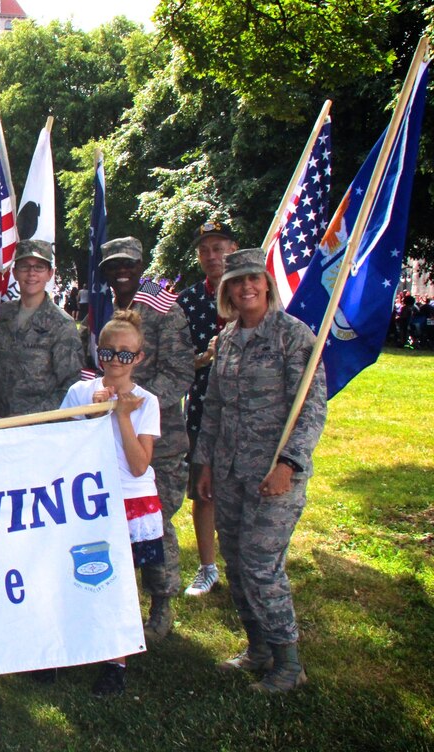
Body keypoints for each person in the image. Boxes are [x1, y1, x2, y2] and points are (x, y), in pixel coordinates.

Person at [194, 248, 327, 694]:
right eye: (237, 282)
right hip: (230, 471)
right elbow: (212, 406)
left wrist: (290, 465)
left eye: (254, 279)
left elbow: (310, 409)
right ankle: (258, 649)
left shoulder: (294, 336)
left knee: (260, 564)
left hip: (274, 474)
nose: (246, 287)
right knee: (235, 560)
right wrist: (206, 463)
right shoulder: (228, 338)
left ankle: (289, 663)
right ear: (226, 290)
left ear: (267, 283)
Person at [61, 309, 163, 696]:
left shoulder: (147, 402)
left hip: (131, 500)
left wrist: (120, 415)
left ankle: (116, 661)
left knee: (121, 581)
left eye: (125, 354)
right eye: (108, 352)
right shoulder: (78, 393)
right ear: (96, 352)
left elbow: (139, 465)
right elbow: (64, 451)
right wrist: (92, 414)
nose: (115, 361)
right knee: (82, 568)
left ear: (138, 357)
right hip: (88, 497)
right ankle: (77, 644)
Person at [100, 236, 194, 643]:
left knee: (155, 522)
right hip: (110, 440)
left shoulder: (163, 310)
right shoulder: (105, 308)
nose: (122, 272)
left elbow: (181, 371)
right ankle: (118, 601)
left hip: (160, 440)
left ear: (140, 266)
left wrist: (134, 397)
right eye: (114, 266)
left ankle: (161, 603)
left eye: (129, 265)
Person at [178, 220, 238, 597]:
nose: (212, 256)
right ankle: (207, 567)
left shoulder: (253, 293)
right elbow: (178, 359)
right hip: (202, 406)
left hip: (249, 413)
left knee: (248, 491)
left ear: (233, 248)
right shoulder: (188, 301)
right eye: (205, 250)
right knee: (204, 489)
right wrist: (204, 357)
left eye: (219, 248)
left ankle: (247, 568)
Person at [0, 240, 83, 418]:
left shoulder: (62, 324)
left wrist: (30, 418)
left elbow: (71, 385)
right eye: (24, 266)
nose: (31, 273)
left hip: (39, 428)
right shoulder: (2, 314)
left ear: (50, 274)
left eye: (39, 267)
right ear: (15, 273)